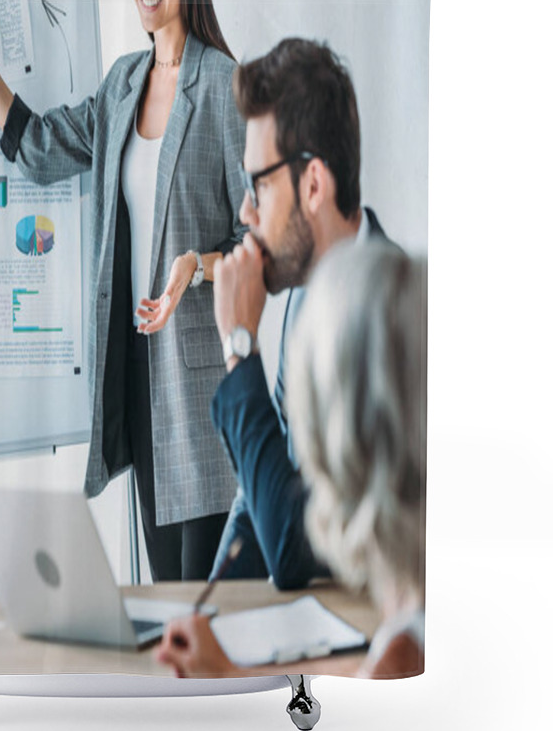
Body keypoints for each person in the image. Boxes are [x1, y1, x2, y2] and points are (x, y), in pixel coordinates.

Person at [0, 0, 246, 581]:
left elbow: (261, 242)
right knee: (169, 603)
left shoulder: (226, 86)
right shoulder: (123, 83)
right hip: (141, 382)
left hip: (203, 394)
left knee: (208, 611)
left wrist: (197, 268)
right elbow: (40, 150)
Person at [156, 242, 427, 679]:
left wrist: (239, 347)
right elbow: (368, 668)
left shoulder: (406, 653)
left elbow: (378, 674)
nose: (249, 210)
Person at [208, 38, 392, 589]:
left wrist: (240, 347)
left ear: (313, 184)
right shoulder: (306, 298)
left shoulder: (388, 319)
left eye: (256, 184)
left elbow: (294, 549)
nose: (245, 212)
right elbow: (260, 496)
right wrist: (207, 603)